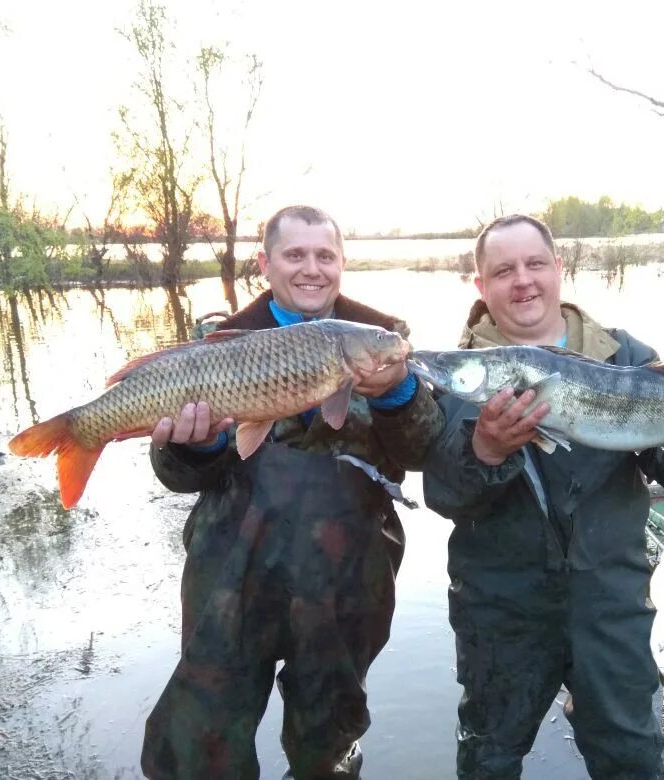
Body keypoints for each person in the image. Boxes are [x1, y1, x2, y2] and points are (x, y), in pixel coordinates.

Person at [421, 214, 664, 779]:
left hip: (610, 604)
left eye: (535, 264)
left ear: (559, 269)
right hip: (499, 615)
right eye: (503, 270)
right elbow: (445, 495)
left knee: (631, 757)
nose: (523, 281)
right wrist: (484, 450)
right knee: (489, 758)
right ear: (481, 286)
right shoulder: (458, 378)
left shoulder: (625, 357)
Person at [141, 205, 444, 780]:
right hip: (233, 567)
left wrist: (398, 394)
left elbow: (424, 452)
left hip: (348, 572)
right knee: (203, 740)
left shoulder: (383, 340)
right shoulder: (220, 343)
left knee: (327, 740)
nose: (312, 269)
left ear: (342, 263)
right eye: (295, 255)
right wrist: (196, 447)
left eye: (324, 255)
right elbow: (176, 477)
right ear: (266, 264)